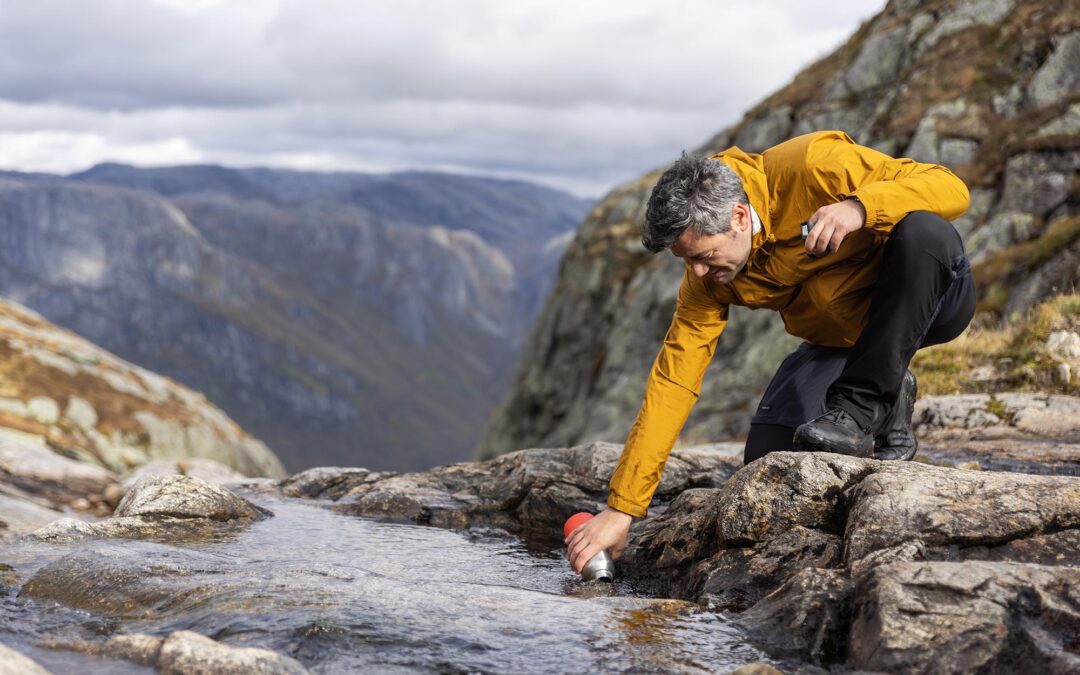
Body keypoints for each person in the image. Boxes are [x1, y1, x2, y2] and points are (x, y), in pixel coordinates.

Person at [566, 129, 975, 574]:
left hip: (934, 298)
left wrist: (860, 208)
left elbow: (951, 188)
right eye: (687, 262)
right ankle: (888, 389)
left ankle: (863, 404)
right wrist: (622, 508)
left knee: (924, 232)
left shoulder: (815, 166)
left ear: (739, 217)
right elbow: (674, 380)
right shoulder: (704, 281)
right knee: (771, 464)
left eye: (702, 256)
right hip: (842, 340)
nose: (698, 271)